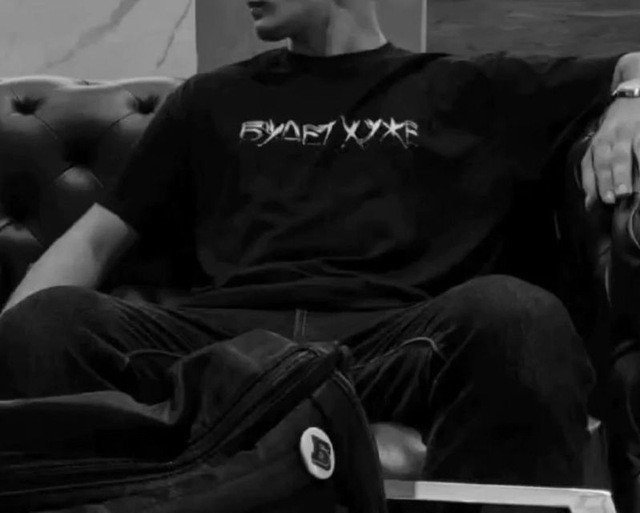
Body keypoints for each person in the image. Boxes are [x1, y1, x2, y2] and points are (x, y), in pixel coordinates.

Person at [1, 0, 639, 488]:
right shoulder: (209, 99)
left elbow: (632, 64)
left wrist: (630, 102)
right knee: (48, 322)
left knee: (518, 316)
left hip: (392, 344)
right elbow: (93, 243)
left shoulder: (471, 87)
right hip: (224, 346)